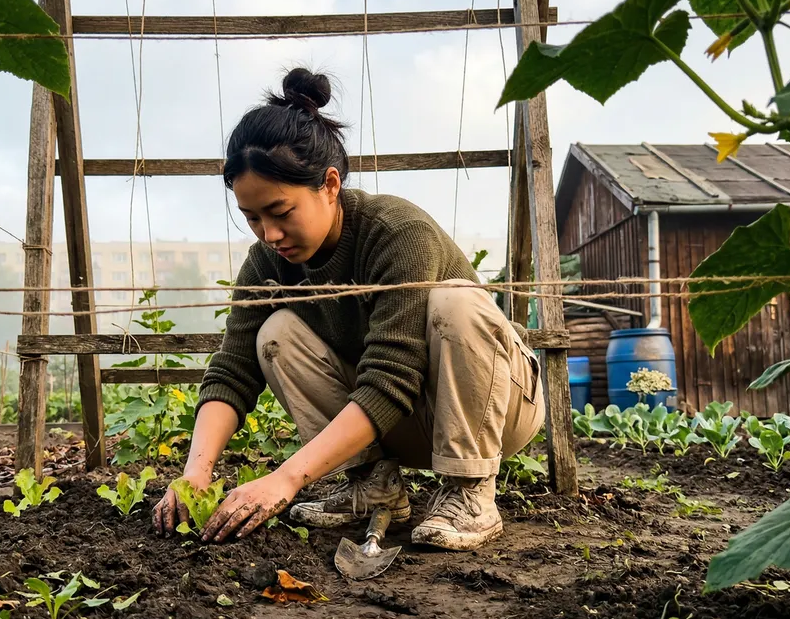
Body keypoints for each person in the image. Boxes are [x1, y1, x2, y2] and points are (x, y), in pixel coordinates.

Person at [152, 67, 545, 551]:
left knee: (455, 301)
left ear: (330, 184)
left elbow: (391, 376)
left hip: (496, 410)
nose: (269, 233)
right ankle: (372, 485)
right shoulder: (267, 264)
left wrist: (286, 477)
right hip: (403, 421)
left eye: (281, 212)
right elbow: (234, 368)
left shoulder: (397, 233)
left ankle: (470, 491)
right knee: (275, 334)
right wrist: (195, 475)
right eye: (251, 218)